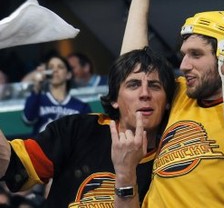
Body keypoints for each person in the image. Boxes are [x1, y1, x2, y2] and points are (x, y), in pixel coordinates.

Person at [111, 0, 224, 207]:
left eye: (196, 54)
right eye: (184, 54)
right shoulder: (180, 95)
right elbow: (132, 67)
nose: (184, 65)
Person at [0, 47, 176, 208]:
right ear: (114, 99)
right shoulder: (78, 130)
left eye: (154, 86)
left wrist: (126, 173)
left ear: (167, 102)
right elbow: (13, 164)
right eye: (134, 85)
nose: (145, 94)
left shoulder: (175, 160)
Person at [22, 54, 92, 137]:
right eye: (51, 68)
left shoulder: (81, 106)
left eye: (60, 67)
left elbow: (87, 136)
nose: (55, 70)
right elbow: (28, 119)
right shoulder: (38, 99)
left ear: (68, 75)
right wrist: (37, 86)